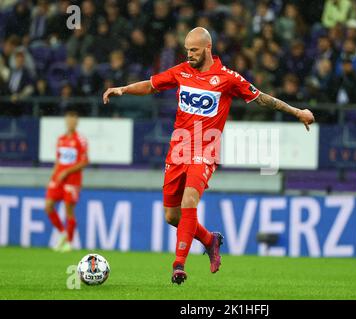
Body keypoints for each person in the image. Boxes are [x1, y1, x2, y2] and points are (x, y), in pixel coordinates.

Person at [103, 27, 314, 285]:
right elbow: (151, 85)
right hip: (178, 149)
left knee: (189, 200)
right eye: (187, 50)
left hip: (205, 149)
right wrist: (123, 89)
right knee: (172, 216)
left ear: (207, 48)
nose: (189, 54)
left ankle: (178, 265)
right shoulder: (181, 71)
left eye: (193, 50)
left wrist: (297, 112)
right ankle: (209, 239)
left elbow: (261, 98)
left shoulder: (227, 78)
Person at [44, 109, 89, 252]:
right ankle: (62, 233)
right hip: (59, 177)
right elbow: (58, 160)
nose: (71, 121)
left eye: (74, 119)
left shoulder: (80, 140)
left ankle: (69, 243)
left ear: (77, 121)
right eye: (69, 118)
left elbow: (85, 161)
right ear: (66, 120)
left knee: (69, 209)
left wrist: (66, 171)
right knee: (48, 206)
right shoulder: (61, 139)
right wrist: (54, 176)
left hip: (72, 180)